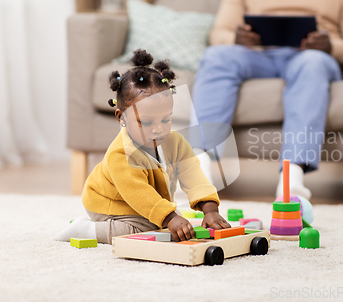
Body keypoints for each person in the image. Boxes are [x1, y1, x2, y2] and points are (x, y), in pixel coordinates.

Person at [191, 0, 343, 199]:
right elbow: (220, 32)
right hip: (258, 56)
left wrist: (332, 46)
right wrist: (235, 39)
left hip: (312, 57)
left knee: (312, 63)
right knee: (216, 56)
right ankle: (198, 164)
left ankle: (292, 178)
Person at [54, 49, 230, 244]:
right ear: (122, 118)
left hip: (141, 200)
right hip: (109, 203)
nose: (158, 129)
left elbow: (193, 175)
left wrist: (210, 209)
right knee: (147, 228)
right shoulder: (121, 153)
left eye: (166, 120)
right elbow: (139, 194)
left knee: (168, 220)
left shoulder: (176, 143)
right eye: (146, 122)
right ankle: (86, 229)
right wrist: (169, 217)